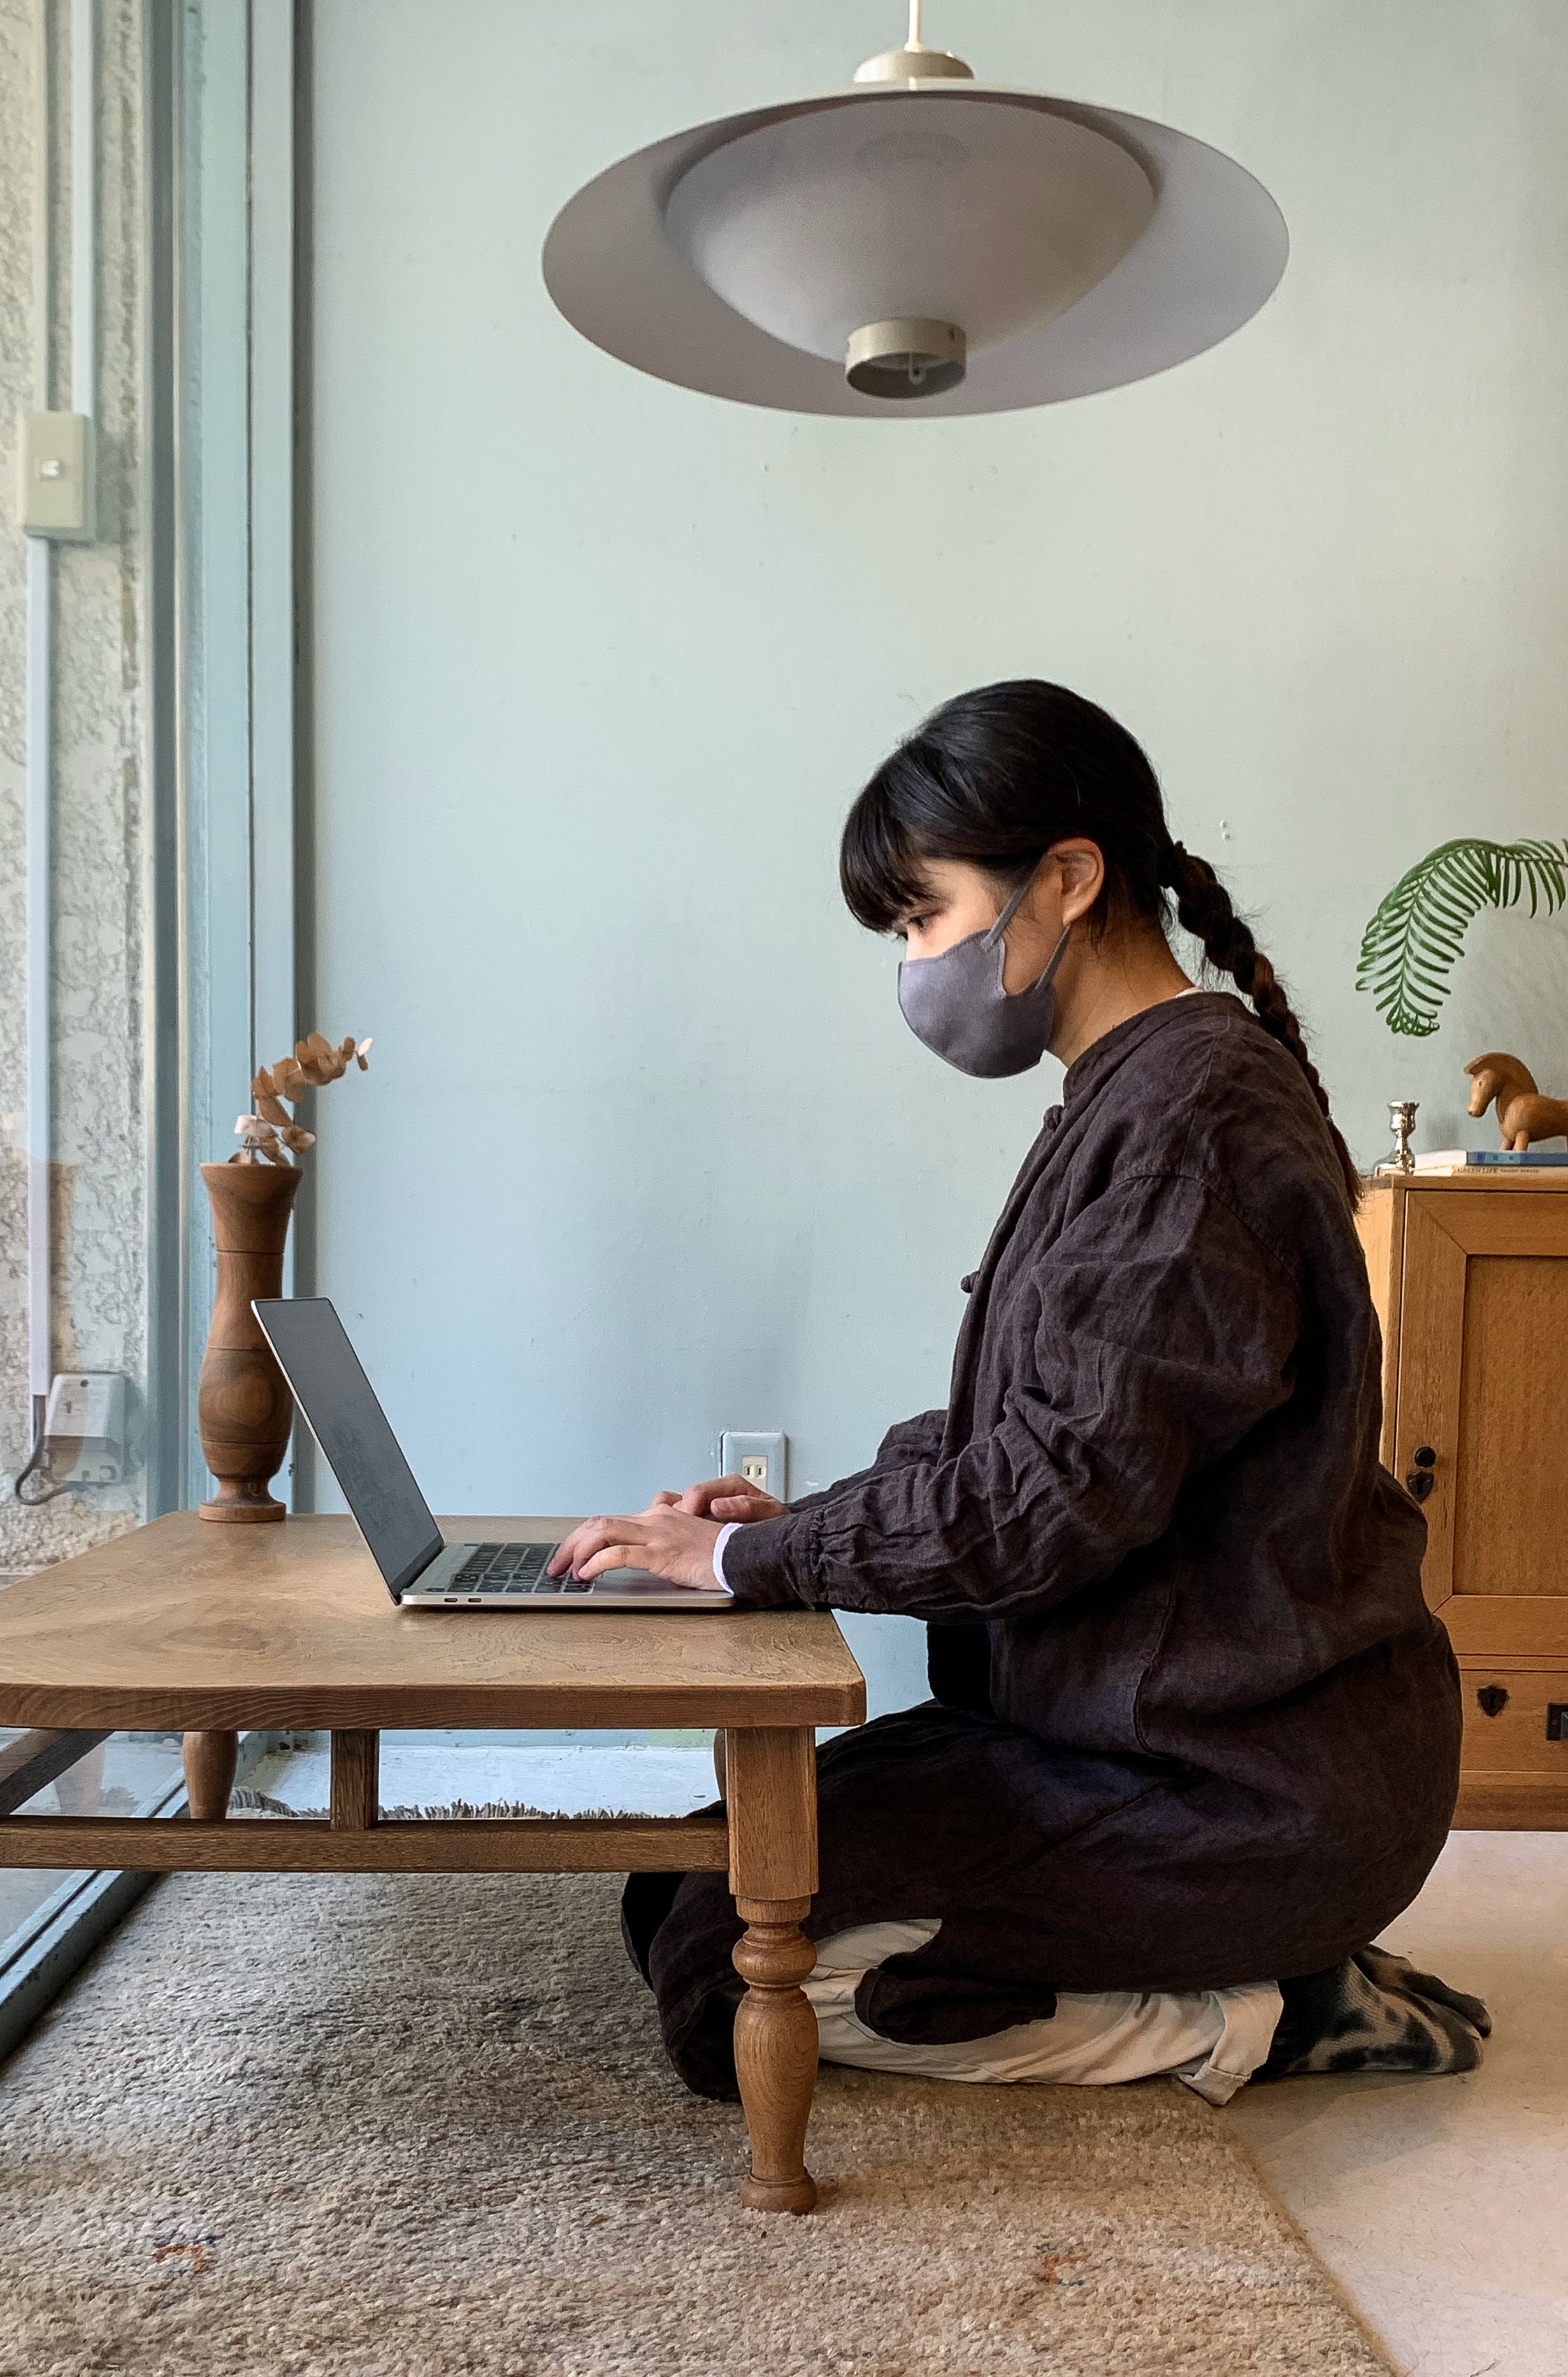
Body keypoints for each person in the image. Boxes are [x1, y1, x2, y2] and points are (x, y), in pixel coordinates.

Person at [549, 679, 1486, 2102]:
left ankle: (1276, 2010)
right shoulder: (1135, 1091)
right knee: (687, 1886)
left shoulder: (1188, 1121)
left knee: (732, 1986)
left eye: (922, 917)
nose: (914, 964)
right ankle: (1273, 1970)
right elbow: (1036, 1442)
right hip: (1129, 1736)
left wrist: (753, 1557)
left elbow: (1051, 1501)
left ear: (1065, 877)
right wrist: (800, 1521)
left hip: (1237, 1785)